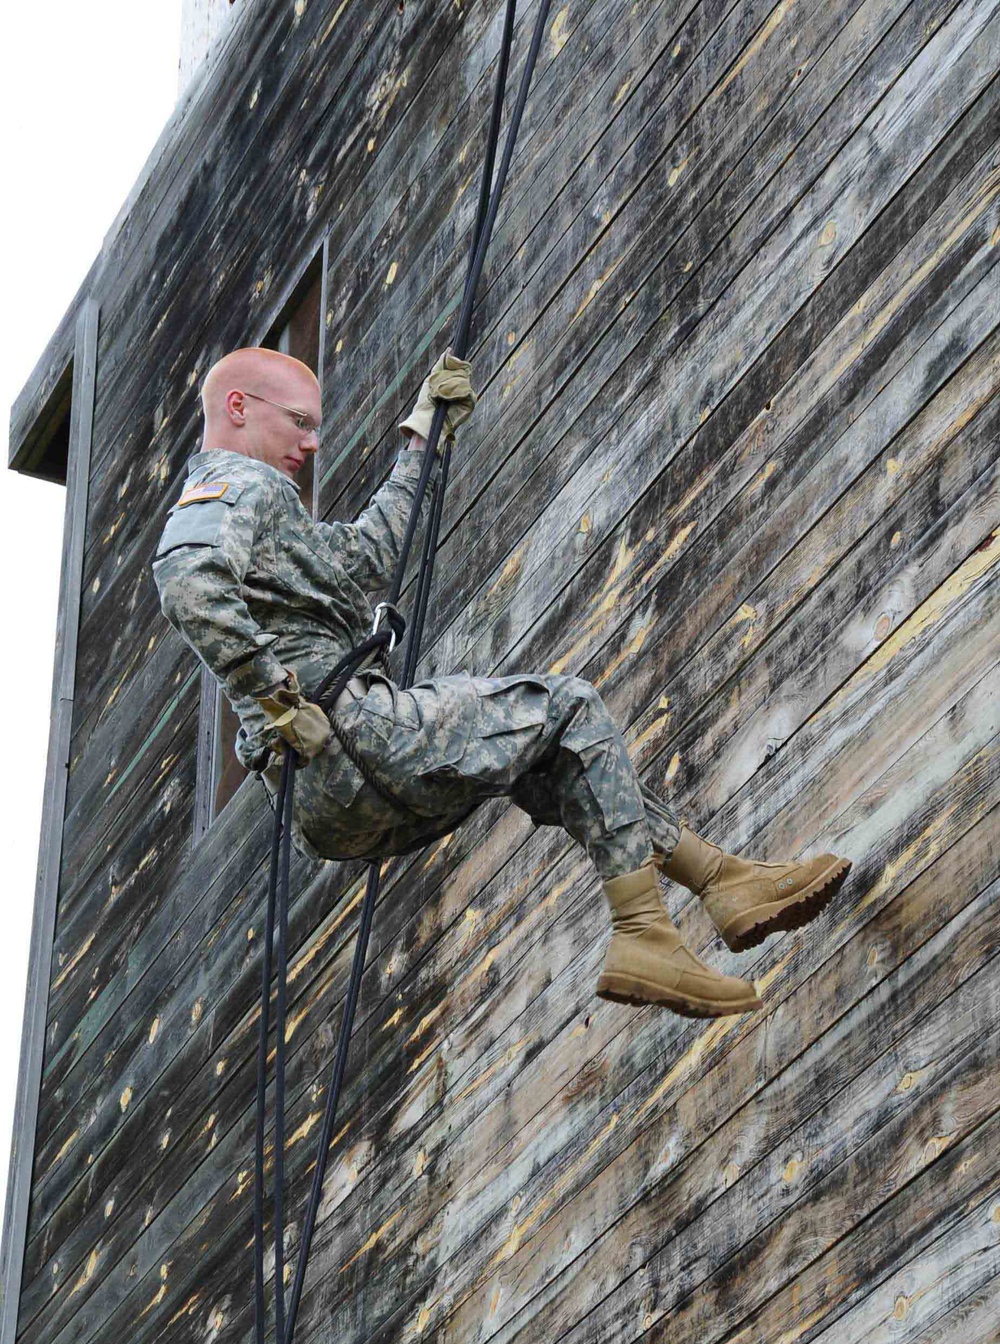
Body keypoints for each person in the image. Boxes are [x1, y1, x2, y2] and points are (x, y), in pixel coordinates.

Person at [152, 347, 851, 1020]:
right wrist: (274, 697)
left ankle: (722, 883)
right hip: (352, 737)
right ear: (238, 407)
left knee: (552, 754)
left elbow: (366, 559)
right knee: (569, 708)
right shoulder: (237, 485)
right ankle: (644, 933)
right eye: (299, 422)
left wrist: (422, 437)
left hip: (326, 801)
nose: (309, 445)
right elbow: (186, 580)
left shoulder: (274, 518)